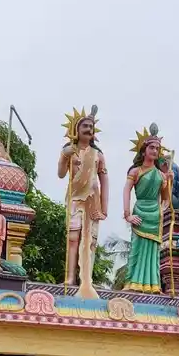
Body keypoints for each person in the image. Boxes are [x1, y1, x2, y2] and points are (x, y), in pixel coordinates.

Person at [58, 105, 108, 298]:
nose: (89, 129)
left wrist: (104, 208)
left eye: (91, 126)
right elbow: (61, 174)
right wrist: (64, 157)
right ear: (76, 131)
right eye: (85, 126)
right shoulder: (69, 151)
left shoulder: (98, 155)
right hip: (75, 198)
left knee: (91, 241)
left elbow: (104, 180)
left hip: (92, 200)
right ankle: (70, 277)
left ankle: (86, 279)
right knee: (73, 238)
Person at [122, 123, 173, 294]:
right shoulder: (136, 171)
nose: (154, 151)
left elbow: (166, 199)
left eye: (157, 149)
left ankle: (152, 285)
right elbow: (126, 190)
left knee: (153, 251)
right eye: (151, 147)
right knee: (137, 248)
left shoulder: (160, 175)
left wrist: (162, 208)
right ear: (144, 150)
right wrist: (127, 215)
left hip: (154, 214)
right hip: (140, 211)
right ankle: (133, 282)